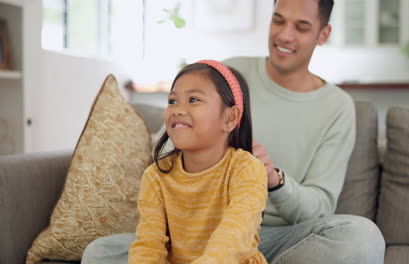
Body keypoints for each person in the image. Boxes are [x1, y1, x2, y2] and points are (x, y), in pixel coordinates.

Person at [219, 0, 385, 263]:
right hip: (212, 227)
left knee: (363, 237)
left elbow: (319, 209)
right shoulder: (228, 75)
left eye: (302, 27)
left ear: (323, 34)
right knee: (131, 246)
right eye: (278, 20)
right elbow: (167, 147)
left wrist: (274, 181)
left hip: (283, 241)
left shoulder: (337, 108)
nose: (285, 35)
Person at [83, 60, 268, 264]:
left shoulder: (247, 169)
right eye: (172, 101)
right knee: (98, 253)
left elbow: (232, 239)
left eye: (194, 99)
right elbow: (149, 245)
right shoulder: (155, 177)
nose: (178, 109)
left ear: (230, 118)